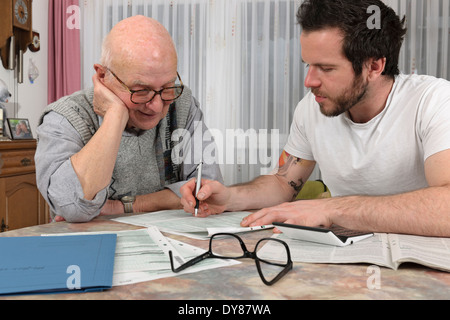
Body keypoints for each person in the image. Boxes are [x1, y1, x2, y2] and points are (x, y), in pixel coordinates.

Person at [180, 0, 450, 237]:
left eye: (327, 68)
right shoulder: (312, 108)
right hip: (348, 257)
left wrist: (332, 208)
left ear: (374, 66)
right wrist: (229, 197)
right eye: (308, 65)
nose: (309, 81)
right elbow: (283, 183)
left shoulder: (435, 101)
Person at [35, 16, 222, 223]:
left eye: (167, 87)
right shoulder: (64, 117)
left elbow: (208, 190)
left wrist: (123, 206)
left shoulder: (183, 103)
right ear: (103, 76)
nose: (157, 106)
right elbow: (73, 207)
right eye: (141, 91)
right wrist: (115, 115)